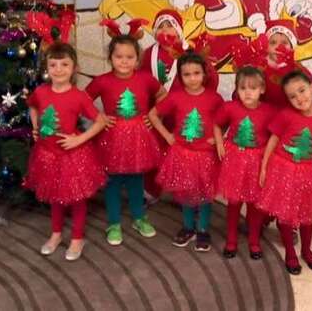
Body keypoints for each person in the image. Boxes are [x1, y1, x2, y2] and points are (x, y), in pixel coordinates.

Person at [86, 19, 167, 246]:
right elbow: (82, 100)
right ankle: (113, 223)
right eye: (119, 56)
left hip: (139, 137)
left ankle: (139, 218)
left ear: (137, 59)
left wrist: (154, 115)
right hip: (112, 138)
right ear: (110, 58)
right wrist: (99, 117)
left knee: (136, 179)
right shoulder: (102, 81)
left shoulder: (145, 79)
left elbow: (163, 95)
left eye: (129, 57)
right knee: (112, 181)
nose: (124, 61)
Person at [24, 42, 106, 261]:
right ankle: (56, 234)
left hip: (72, 156)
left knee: (77, 198)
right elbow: (32, 106)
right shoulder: (41, 92)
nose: (58, 69)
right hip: (47, 154)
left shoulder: (79, 96)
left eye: (64, 64)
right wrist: (35, 127)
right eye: (53, 65)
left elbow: (101, 121)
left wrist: (79, 138)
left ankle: (77, 237)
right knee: (55, 197)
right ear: (47, 68)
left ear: (74, 68)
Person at [257, 70, 312, 274]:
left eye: (302, 90)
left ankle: (307, 251)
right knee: (285, 214)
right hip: (282, 167)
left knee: (306, 214)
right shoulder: (286, 115)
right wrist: (264, 166)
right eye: (292, 96)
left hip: (306, 171)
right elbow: (273, 139)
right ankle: (290, 253)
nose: (299, 98)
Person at [149, 50, 224, 252]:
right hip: (182, 154)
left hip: (206, 155)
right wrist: (167, 136)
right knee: (186, 193)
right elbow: (153, 114)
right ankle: (188, 227)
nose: (192, 78)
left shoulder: (214, 98)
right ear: (180, 76)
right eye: (187, 74)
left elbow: (225, 120)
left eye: (196, 73)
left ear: (204, 74)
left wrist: (218, 138)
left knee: (205, 194)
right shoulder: (175, 97)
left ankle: (203, 230)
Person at [214, 66, 274, 259]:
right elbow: (216, 125)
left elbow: (275, 136)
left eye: (253, 88)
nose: (248, 92)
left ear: (262, 89)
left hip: (258, 162)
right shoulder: (230, 107)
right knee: (234, 201)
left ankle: (254, 240)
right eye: (243, 88)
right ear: (236, 89)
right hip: (235, 160)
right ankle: (231, 239)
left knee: (254, 204)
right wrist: (219, 142)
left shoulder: (269, 111)